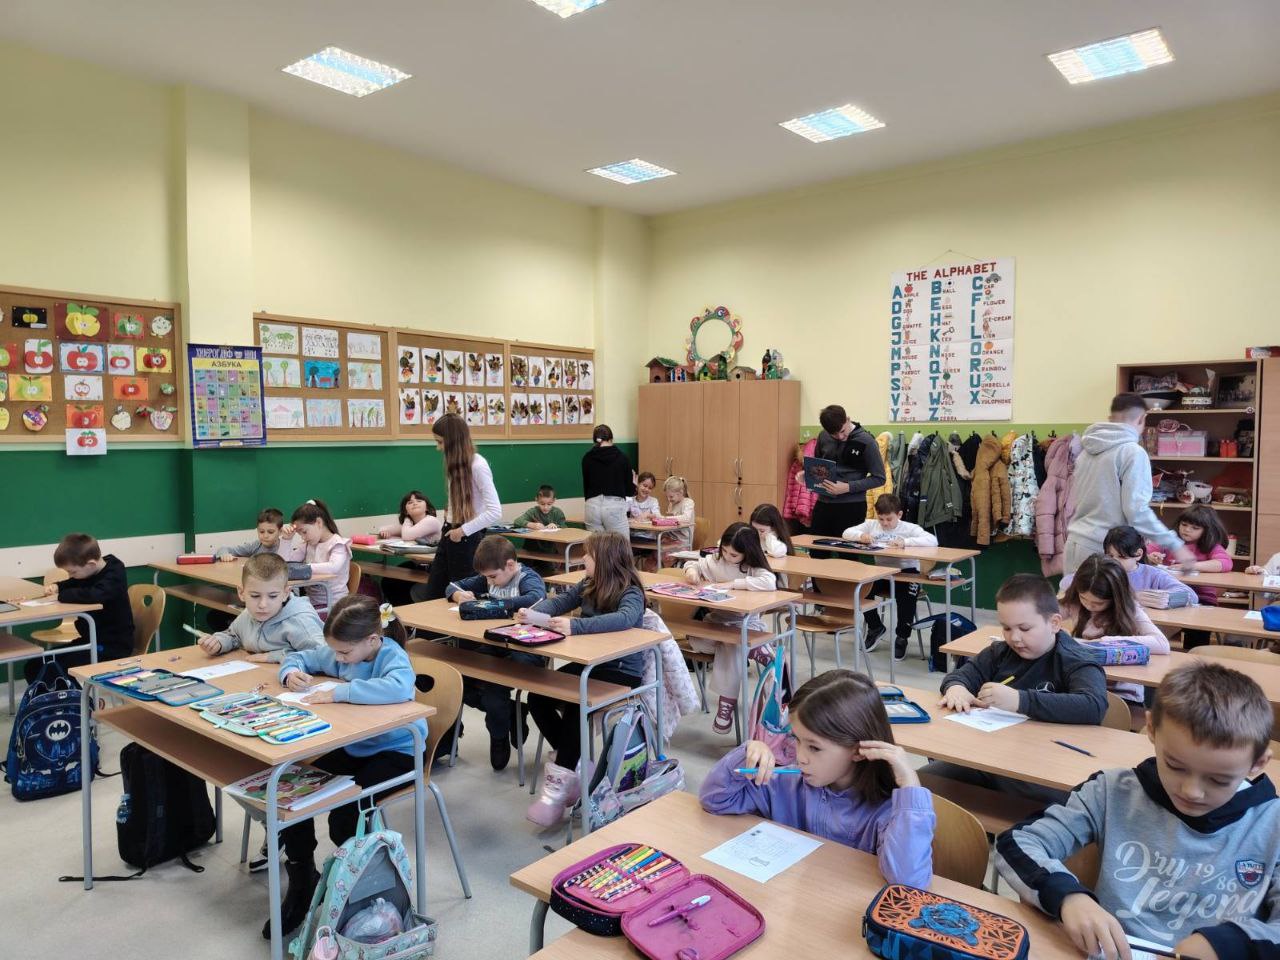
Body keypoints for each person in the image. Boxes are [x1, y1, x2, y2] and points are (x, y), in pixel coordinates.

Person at [996, 662, 1280, 960]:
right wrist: (1068, 896)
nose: (1191, 791)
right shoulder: (1111, 792)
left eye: (1219, 780)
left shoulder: (1272, 823)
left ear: (1258, 763)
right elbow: (1017, 843)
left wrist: (1230, 943)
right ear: (1152, 729)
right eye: (1175, 766)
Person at [269, 596, 427, 941]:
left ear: (372, 639)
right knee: (295, 791)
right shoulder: (340, 650)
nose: (338, 659)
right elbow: (301, 656)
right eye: (335, 652)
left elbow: (400, 687)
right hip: (356, 745)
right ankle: (302, 879)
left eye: (344, 653)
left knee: (346, 813)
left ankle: (358, 888)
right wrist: (290, 672)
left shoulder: (391, 656)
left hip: (398, 751)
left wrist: (340, 694)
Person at [699, 669, 934, 887]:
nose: (800, 757)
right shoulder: (786, 783)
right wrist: (747, 754)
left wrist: (910, 786)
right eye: (797, 739)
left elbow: (907, 881)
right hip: (794, 900)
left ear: (858, 750)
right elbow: (714, 801)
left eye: (814, 747)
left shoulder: (888, 810)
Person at [927, 573, 1108, 803]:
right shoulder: (1000, 652)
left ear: (1054, 623)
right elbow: (961, 676)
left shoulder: (1075, 659)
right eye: (1006, 628)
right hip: (989, 760)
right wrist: (956, 688)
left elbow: (1094, 706)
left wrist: (1020, 701)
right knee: (917, 787)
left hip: (1046, 770)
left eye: (1024, 628)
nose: (1014, 638)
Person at [520, 532, 646, 826]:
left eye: (588, 555)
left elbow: (624, 619)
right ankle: (577, 766)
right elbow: (560, 602)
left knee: (577, 700)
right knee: (537, 696)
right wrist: (533, 614)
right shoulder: (589, 582)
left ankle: (556, 790)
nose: (583, 558)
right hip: (590, 665)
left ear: (605, 559)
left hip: (620, 671)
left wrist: (575, 626)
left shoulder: (630, 591)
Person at [445, 535, 548, 770]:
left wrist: (491, 605)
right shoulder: (490, 578)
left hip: (525, 650)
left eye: (492, 576)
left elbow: (535, 597)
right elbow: (452, 585)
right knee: (457, 680)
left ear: (510, 565)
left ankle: (498, 735)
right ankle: (512, 711)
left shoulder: (526, 578)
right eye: (486, 577)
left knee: (493, 687)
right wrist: (459, 595)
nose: (489, 581)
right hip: (495, 645)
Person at [1065, 393, 1194, 576]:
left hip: (1074, 542)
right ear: (1142, 419)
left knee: (1073, 595)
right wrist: (1176, 545)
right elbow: (1136, 511)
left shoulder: (1086, 451)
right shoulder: (1132, 452)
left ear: (1110, 418)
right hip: (1106, 549)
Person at [683, 523, 779, 734]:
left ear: (748, 552)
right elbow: (694, 564)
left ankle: (726, 704)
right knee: (724, 641)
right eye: (724, 551)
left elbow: (769, 582)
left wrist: (733, 584)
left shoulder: (752, 567)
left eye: (733, 555)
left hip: (745, 625)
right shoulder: (717, 560)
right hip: (715, 625)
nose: (727, 557)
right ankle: (754, 648)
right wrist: (691, 572)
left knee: (732, 642)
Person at [1060, 554, 1168, 716]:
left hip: (1122, 694)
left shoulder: (1130, 610)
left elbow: (1162, 644)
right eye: (1084, 598)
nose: (1089, 606)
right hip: (1084, 685)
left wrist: (1108, 642)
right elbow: (1044, 616)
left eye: (1098, 603)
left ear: (1115, 597)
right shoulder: (1074, 603)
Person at [24, 532, 133, 683]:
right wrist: (58, 586)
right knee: (34, 665)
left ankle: (74, 698)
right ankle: (54, 697)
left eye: (72, 572)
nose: (70, 575)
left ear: (91, 564)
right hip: (88, 640)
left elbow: (95, 594)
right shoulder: (89, 571)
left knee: (55, 670)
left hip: (111, 646)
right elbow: (75, 582)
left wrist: (61, 596)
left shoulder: (114, 573)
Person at [842, 493, 938, 661]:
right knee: (861, 590)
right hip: (882, 572)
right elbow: (846, 532)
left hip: (907, 571)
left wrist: (905, 542)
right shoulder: (871, 524)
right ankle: (875, 627)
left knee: (906, 598)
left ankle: (902, 637)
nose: (885, 523)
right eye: (881, 519)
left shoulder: (909, 528)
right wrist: (861, 536)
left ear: (899, 515)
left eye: (889, 519)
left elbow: (932, 540)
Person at [417, 413, 503, 601]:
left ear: (453, 441)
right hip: (450, 533)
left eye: (440, 442)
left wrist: (463, 531)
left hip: (466, 538)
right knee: (434, 595)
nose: (438, 447)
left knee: (462, 597)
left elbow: (495, 511)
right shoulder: (455, 464)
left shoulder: (477, 465)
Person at [197, 553, 325, 663]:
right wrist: (219, 643)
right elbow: (234, 636)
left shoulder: (300, 622)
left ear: (285, 593)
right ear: (241, 593)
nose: (263, 604)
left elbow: (323, 657)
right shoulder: (249, 613)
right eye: (255, 596)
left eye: (273, 596)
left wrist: (275, 656)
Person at [1149, 504, 1233, 650]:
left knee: (1197, 631)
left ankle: (1194, 654)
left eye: (1195, 528)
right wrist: (1152, 556)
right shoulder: (1169, 540)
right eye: (1184, 525)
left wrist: (1191, 565)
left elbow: (1225, 563)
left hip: (1202, 599)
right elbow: (1146, 551)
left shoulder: (1211, 546)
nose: (1187, 530)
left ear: (1207, 530)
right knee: (1153, 623)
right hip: (1170, 596)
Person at [809, 405, 886, 555]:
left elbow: (879, 478)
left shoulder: (866, 441)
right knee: (817, 553)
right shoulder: (823, 436)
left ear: (848, 419)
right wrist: (807, 474)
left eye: (842, 431)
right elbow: (818, 465)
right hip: (823, 505)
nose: (840, 437)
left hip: (852, 507)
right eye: (834, 434)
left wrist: (847, 487)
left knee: (848, 556)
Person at [1061, 524, 1198, 608]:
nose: (1114, 561)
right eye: (1110, 556)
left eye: (1122, 557)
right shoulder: (1102, 571)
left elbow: (1191, 595)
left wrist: (1155, 598)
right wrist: (1128, 596)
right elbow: (1066, 583)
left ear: (1138, 554)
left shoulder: (1152, 574)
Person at [374, 490, 442, 606]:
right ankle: (400, 612)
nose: (414, 503)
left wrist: (406, 519)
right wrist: (385, 532)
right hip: (419, 565)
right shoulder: (410, 524)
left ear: (427, 507)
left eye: (419, 501)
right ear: (405, 510)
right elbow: (383, 529)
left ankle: (410, 613)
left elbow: (407, 535)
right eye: (410, 502)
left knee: (404, 588)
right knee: (388, 581)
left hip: (434, 567)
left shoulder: (431, 521)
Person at [288, 499, 351, 619]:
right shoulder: (308, 544)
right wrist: (287, 539)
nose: (303, 537)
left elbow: (334, 567)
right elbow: (286, 562)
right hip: (312, 603)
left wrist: (304, 568)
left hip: (335, 604)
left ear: (319, 522)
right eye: (300, 534)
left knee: (296, 618)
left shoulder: (338, 544)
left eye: (304, 532)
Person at [581, 424, 634, 536]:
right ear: (611, 439)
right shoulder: (622, 458)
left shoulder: (587, 457)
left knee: (597, 545)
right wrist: (634, 484)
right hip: (614, 505)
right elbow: (629, 491)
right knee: (620, 544)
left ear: (595, 440)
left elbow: (586, 486)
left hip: (592, 505)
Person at [215, 507, 306, 563]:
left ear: (280, 532)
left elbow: (286, 566)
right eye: (261, 532)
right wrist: (224, 555)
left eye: (270, 532)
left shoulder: (284, 548)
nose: (265, 536)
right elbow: (223, 549)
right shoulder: (256, 545)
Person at [511, 484, 567, 571]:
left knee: (548, 570)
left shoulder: (557, 512)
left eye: (549, 504)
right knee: (522, 568)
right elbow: (517, 521)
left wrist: (556, 526)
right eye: (542, 504)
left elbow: (565, 528)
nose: (545, 507)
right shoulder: (533, 511)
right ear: (536, 500)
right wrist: (533, 525)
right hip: (531, 548)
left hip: (549, 550)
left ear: (554, 501)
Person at [661, 475, 697, 550]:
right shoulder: (672, 504)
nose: (669, 499)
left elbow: (686, 518)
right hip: (672, 539)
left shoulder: (688, 502)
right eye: (667, 497)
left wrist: (666, 518)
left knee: (662, 553)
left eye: (671, 497)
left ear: (680, 492)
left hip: (683, 542)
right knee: (654, 551)